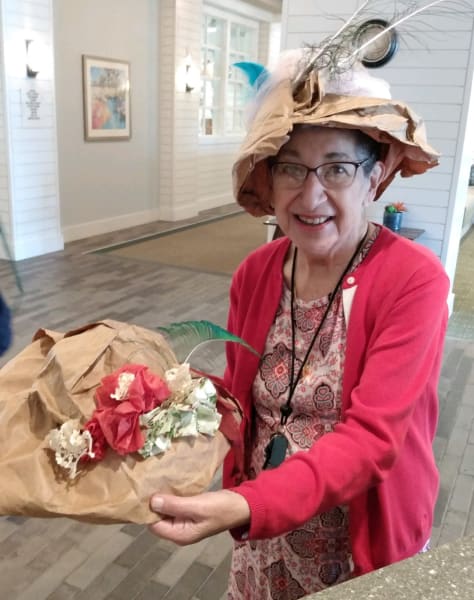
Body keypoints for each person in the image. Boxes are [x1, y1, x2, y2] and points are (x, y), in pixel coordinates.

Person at [148, 46, 450, 599]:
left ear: (375, 173)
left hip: (358, 548)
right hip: (264, 534)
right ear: (268, 177)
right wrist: (163, 396)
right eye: (291, 168)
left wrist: (244, 503)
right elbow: (244, 397)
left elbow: (372, 441)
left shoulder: (414, 280)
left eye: (337, 167)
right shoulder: (256, 272)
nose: (311, 196)